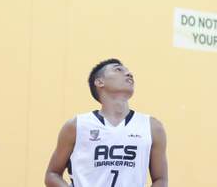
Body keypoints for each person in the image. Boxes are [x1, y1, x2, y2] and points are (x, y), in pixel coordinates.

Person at [45, 59, 168, 187]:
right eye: (118, 69)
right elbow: (52, 174)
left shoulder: (152, 127)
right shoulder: (76, 126)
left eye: (129, 71)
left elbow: (161, 179)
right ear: (99, 82)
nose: (129, 74)